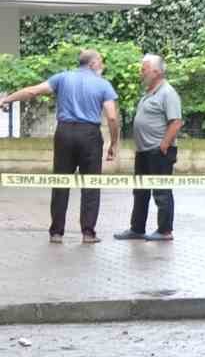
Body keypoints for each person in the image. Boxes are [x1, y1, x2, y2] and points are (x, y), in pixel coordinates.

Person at [0, 49, 119, 244]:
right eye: (101, 62)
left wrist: (6, 99)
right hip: (89, 135)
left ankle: (56, 232)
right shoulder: (103, 84)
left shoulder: (62, 78)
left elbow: (33, 91)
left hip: (64, 133)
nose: (102, 66)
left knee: (61, 182)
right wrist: (113, 143)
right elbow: (112, 117)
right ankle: (88, 233)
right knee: (90, 185)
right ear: (93, 64)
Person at [115, 54, 183, 241]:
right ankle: (137, 229)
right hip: (144, 152)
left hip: (159, 152)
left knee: (161, 192)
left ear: (157, 71)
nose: (141, 72)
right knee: (140, 191)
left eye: (144, 68)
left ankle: (165, 231)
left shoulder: (168, 93)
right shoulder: (149, 92)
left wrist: (163, 146)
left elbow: (176, 122)